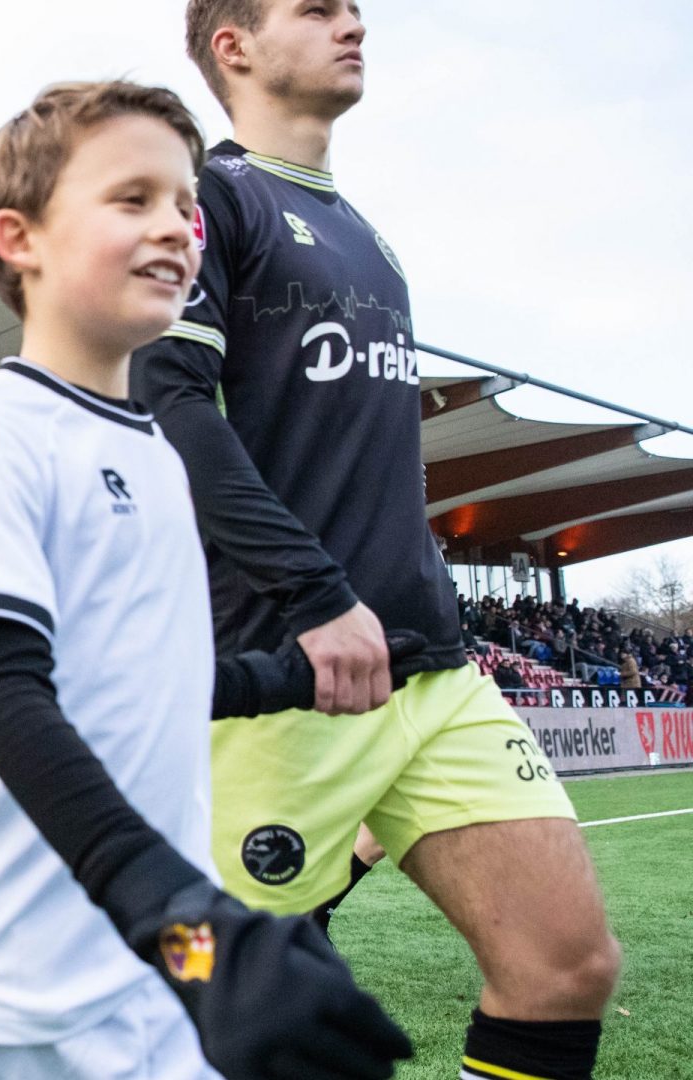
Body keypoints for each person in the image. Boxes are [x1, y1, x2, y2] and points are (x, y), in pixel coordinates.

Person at [0, 81, 410, 1080]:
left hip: (155, 981)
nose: (176, 229)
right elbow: (4, 702)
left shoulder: (162, 454)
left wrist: (286, 679)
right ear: (19, 238)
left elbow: (137, 688)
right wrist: (190, 919)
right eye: (132, 199)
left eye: (185, 205)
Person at [134, 5, 620, 1076]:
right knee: (223, 1024)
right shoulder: (208, 198)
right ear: (235, 45)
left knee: (563, 965)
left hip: (429, 670)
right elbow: (169, 405)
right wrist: (315, 594)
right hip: (281, 671)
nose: (356, 20)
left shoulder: (370, 235)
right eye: (318, 6)